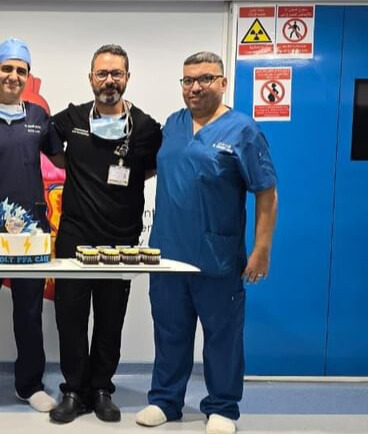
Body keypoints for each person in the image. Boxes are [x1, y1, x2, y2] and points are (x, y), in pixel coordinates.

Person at [135, 52, 277, 434]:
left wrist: (261, 248)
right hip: (168, 255)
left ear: (223, 83)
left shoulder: (243, 131)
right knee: (169, 332)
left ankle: (223, 407)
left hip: (217, 257)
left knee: (222, 337)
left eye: (205, 79)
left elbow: (266, 192)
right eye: (188, 80)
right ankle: (165, 400)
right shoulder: (173, 124)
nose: (195, 87)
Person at [48, 44, 162, 424]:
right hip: (75, 237)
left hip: (120, 241)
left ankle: (101, 389)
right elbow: (50, 146)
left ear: (127, 77)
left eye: (116, 73)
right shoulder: (71, 118)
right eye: (102, 73)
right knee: (70, 318)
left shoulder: (145, 127)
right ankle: (73, 390)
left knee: (111, 319)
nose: (109, 80)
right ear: (91, 78)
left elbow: (150, 168)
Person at [0, 38, 64, 416]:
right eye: (7, 68)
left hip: (30, 232)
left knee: (29, 311)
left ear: (28, 76)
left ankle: (29, 385)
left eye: (21, 70)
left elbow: (63, 162)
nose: (13, 76)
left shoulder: (39, 117)